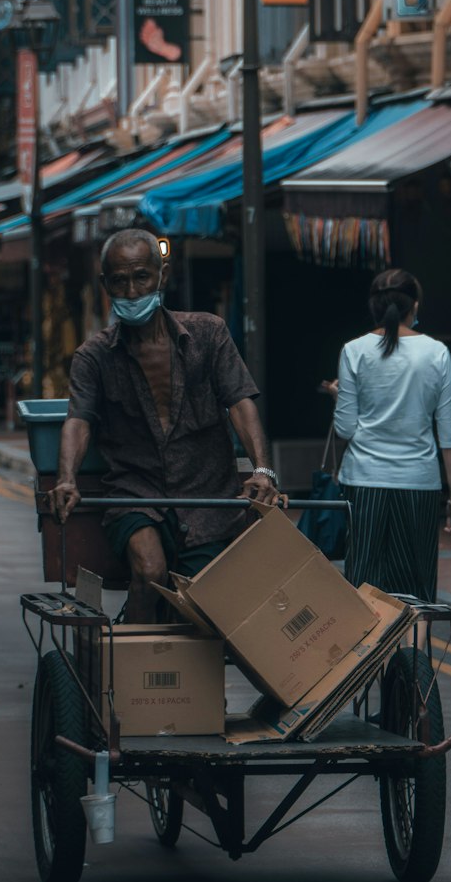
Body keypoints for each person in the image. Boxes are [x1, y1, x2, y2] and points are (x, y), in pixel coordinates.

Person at [49, 228, 280, 622]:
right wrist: (66, 478)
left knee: (202, 610)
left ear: (162, 276)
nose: (132, 290)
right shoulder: (94, 356)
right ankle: (131, 666)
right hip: (135, 495)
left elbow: (240, 402)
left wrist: (261, 470)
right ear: (105, 285)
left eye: (141, 276)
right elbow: (79, 420)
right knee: (150, 570)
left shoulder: (208, 334)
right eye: (119, 281)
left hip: (206, 497)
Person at [326, 268, 451, 602]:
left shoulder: (354, 350)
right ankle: (414, 652)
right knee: (416, 585)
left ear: (373, 307)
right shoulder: (437, 353)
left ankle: (369, 655)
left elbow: (344, 428)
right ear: (414, 306)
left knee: (363, 584)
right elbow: (450, 433)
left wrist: (337, 396)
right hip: (419, 482)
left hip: (364, 479)